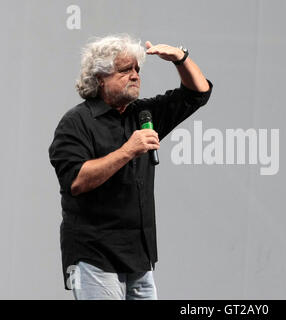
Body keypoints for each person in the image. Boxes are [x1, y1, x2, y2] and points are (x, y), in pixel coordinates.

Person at [48, 34, 212, 300]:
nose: (135, 75)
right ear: (100, 78)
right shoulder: (76, 122)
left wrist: (180, 59)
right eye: (125, 70)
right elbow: (75, 181)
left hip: (139, 256)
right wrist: (127, 151)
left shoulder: (143, 114)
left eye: (137, 69)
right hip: (95, 255)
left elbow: (198, 93)